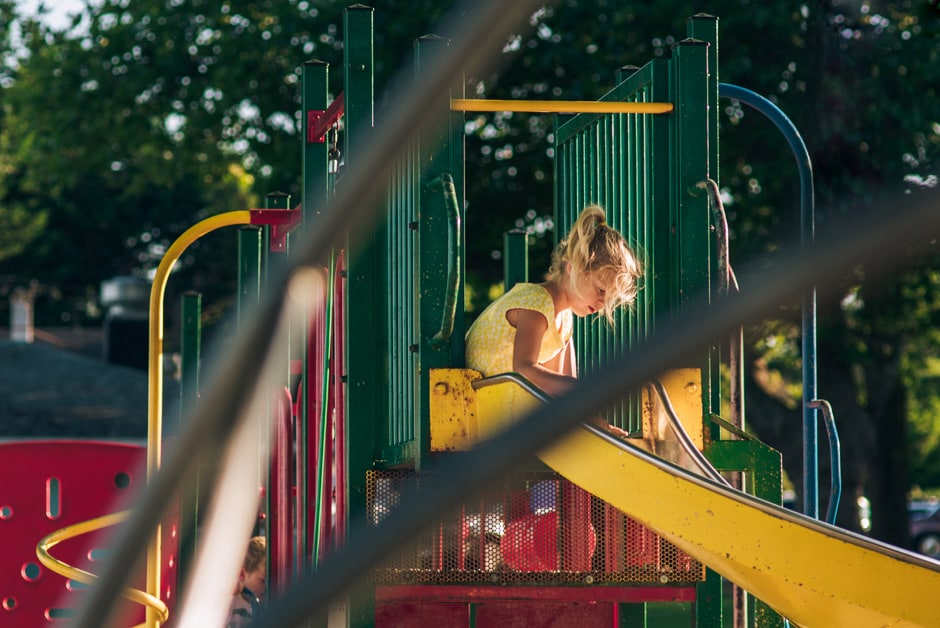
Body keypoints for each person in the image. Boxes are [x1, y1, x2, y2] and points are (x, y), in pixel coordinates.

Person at [465, 205, 642, 431]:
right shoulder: (536, 304)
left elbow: (567, 391)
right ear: (573, 268)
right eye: (600, 291)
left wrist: (599, 427)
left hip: (510, 404)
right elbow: (524, 368)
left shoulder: (565, 319)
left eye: (609, 299)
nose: (602, 304)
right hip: (484, 405)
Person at [227, 535, 266, 628]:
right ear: (242, 575)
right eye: (263, 581)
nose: (267, 587)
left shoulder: (266, 604)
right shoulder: (232, 600)